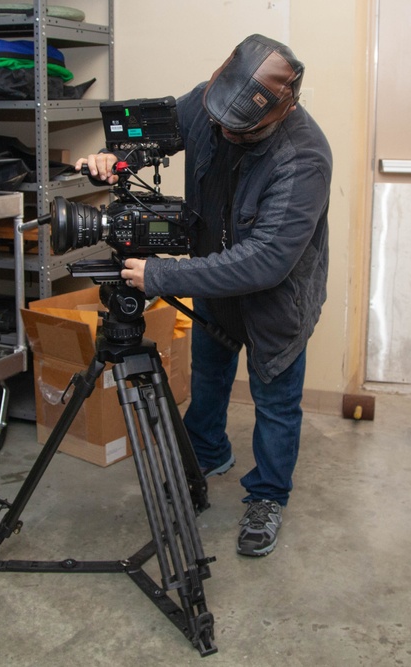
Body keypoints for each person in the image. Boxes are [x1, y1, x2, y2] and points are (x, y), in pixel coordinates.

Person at [76, 34, 332, 557]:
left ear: (281, 111)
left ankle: (268, 496)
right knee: (210, 374)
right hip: (213, 281)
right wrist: (114, 155)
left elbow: (265, 260)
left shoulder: (304, 158)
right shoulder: (213, 102)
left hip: (274, 303)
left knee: (275, 401)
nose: (220, 131)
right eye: (216, 119)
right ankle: (208, 452)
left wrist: (164, 277)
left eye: (238, 129)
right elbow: (161, 129)